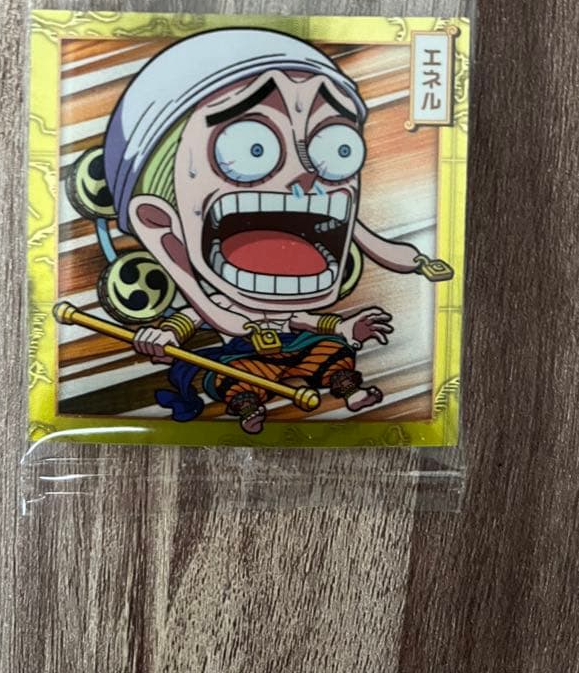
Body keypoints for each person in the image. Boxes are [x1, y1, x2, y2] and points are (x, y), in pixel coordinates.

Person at [103, 28, 429, 434]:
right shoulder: (218, 304)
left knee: (331, 355)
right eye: (250, 148)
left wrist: (346, 329)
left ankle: (348, 389)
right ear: (164, 230)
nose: (306, 174)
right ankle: (248, 408)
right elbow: (183, 325)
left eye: (337, 148)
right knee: (229, 377)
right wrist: (163, 335)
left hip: (298, 350)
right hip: (246, 360)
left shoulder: (291, 305)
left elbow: (310, 323)